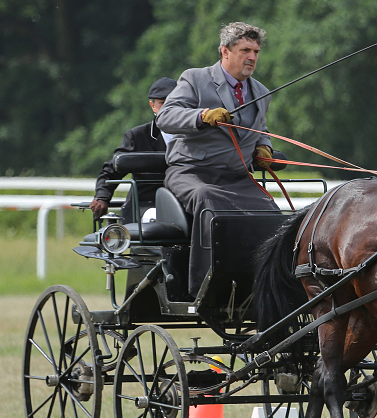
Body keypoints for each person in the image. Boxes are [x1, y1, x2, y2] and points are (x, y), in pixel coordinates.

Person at [156, 22, 278, 297]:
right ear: (225, 51)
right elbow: (166, 117)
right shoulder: (195, 78)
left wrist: (264, 148)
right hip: (192, 173)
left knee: (271, 213)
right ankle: (206, 287)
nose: (252, 57)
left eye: (256, 51)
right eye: (245, 50)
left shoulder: (261, 91)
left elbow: (261, 129)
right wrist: (201, 116)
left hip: (238, 178)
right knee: (208, 201)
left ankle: (266, 288)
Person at [90, 77, 178, 223]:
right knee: (161, 217)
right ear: (153, 106)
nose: (169, 108)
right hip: (146, 206)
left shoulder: (195, 136)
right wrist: (102, 197)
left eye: (174, 103)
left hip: (185, 203)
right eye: (163, 103)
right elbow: (112, 170)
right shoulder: (138, 136)